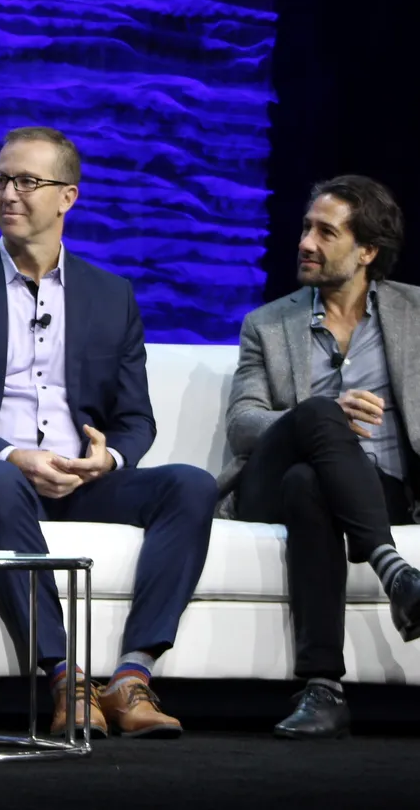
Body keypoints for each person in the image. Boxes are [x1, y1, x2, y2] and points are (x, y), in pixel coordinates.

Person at [0, 126, 218, 739]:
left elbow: (135, 419)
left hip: (79, 478)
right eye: (0, 180)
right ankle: (63, 675)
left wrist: (110, 459)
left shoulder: (111, 296)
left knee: (191, 485)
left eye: (26, 181)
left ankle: (133, 677)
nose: (8, 194)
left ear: (67, 197)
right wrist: (12, 454)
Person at [221, 175, 420, 739]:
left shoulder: (415, 315)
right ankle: (395, 571)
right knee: (315, 418)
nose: (306, 241)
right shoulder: (268, 323)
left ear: (367, 252)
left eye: (325, 232)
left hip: (379, 490)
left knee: (314, 483)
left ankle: (322, 690)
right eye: (306, 227)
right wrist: (325, 412)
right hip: (268, 487)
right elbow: (243, 424)